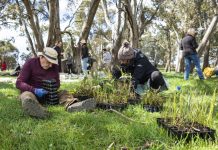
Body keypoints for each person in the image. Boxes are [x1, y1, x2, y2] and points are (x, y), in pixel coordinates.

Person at [16, 47, 96, 119]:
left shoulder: (54, 66)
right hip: (32, 92)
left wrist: (51, 86)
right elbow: (19, 83)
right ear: (41, 57)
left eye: (52, 62)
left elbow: (57, 83)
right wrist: (35, 90)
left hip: (49, 94)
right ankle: (38, 110)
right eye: (49, 62)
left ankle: (73, 105)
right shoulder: (30, 63)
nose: (51, 65)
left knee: (64, 92)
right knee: (26, 95)